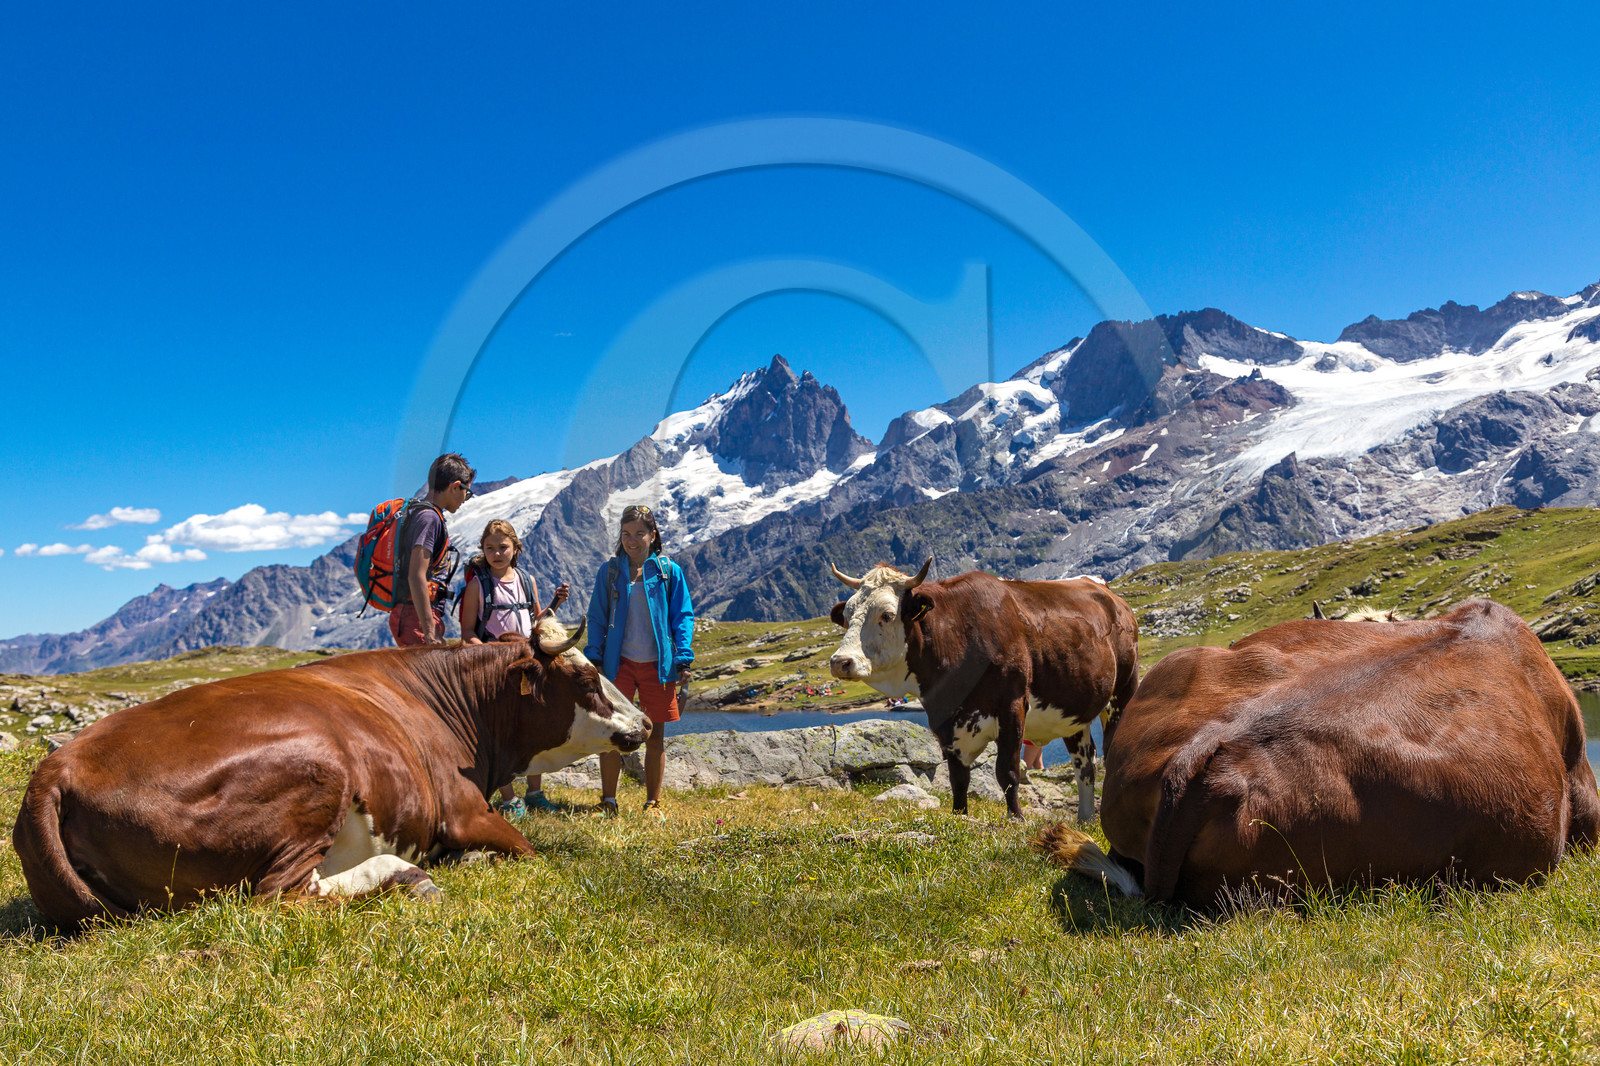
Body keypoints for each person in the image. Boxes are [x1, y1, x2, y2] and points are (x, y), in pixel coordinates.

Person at [585, 505, 694, 817]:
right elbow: (596, 616)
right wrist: (594, 656)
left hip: (658, 667)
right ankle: (608, 801)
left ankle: (653, 802)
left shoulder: (668, 571)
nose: (632, 540)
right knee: (611, 733)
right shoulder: (610, 572)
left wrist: (683, 659)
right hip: (617, 665)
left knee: (655, 736)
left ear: (653, 535)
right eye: (626, 534)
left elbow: (682, 617)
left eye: (639, 533)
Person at [460, 518, 569, 816]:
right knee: (500, 733)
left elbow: (537, 621)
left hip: (527, 665)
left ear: (516, 548)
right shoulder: (476, 586)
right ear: (482, 549)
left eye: (503, 547)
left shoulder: (526, 580)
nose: (496, 553)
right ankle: (509, 799)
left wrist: (554, 604)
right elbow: (467, 631)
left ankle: (535, 793)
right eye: (490, 548)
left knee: (533, 727)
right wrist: (485, 656)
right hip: (495, 671)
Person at [389, 453, 474, 647]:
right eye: (466, 493)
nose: (465, 499)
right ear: (455, 487)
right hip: (416, 618)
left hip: (414, 615)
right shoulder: (429, 518)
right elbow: (416, 575)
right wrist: (429, 631)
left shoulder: (421, 513)